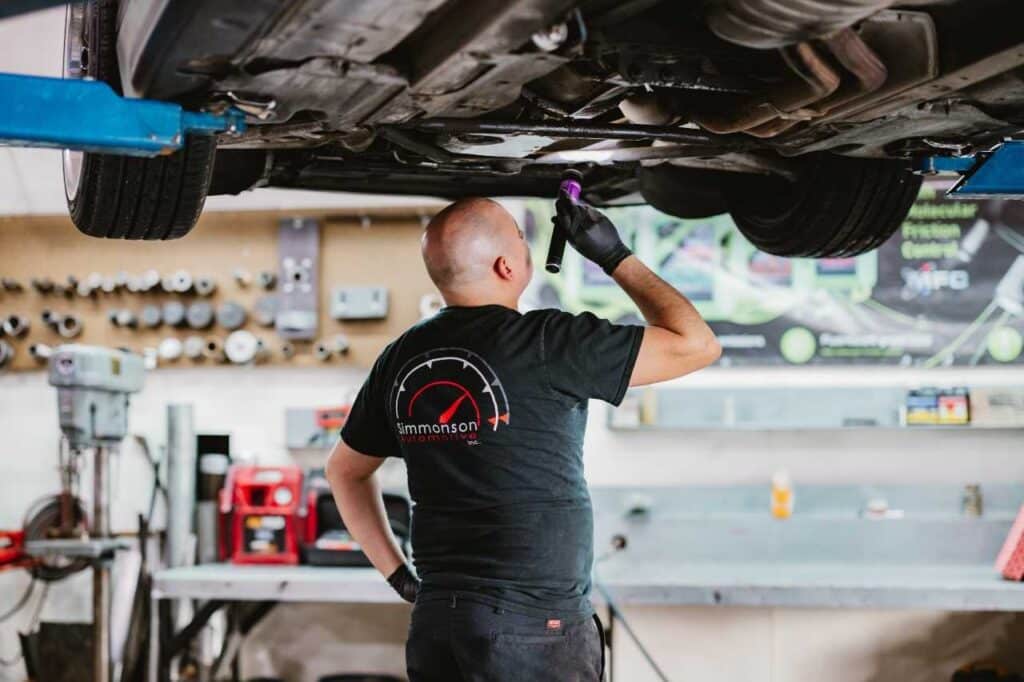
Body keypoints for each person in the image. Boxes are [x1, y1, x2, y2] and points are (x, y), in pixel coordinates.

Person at [325, 196, 720, 681]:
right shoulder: (549, 342)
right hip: (532, 630)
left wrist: (401, 576)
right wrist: (613, 255)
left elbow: (344, 470)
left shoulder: (400, 357)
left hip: (438, 623)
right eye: (518, 231)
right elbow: (696, 344)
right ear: (506, 265)